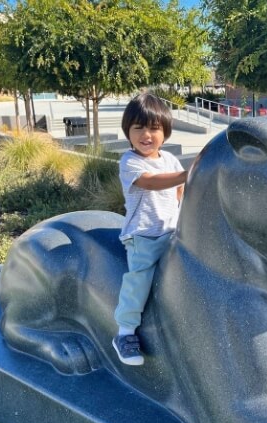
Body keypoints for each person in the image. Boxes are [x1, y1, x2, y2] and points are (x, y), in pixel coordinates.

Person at [112, 93, 188, 366]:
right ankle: (124, 333)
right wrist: (186, 175)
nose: (147, 135)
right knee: (140, 279)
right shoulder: (130, 162)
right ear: (128, 133)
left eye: (154, 128)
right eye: (139, 128)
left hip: (171, 233)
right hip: (143, 236)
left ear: (165, 132)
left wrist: (181, 201)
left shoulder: (170, 159)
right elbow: (151, 182)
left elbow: (179, 189)